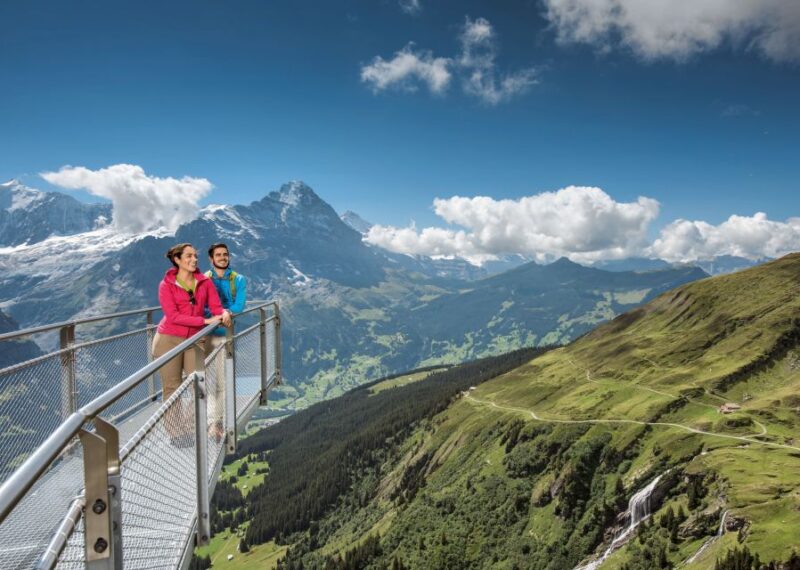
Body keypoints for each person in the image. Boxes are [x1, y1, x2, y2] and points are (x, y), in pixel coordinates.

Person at [153, 243, 231, 446]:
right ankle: (177, 434)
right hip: (168, 339)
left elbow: (215, 306)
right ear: (177, 260)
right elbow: (173, 316)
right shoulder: (166, 285)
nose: (194, 259)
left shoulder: (205, 282)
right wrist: (204, 322)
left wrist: (222, 313)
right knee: (171, 388)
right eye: (188, 256)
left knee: (198, 384)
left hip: (193, 341)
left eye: (195, 256)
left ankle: (190, 426)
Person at [204, 243, 247, 442]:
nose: (223, 257)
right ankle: (210, 420)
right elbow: (200, 306)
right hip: (203, 335)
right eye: (218, 255)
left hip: (223, 335)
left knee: (220, 381)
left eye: (225, 254)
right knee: (207, 381)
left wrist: (226, 312)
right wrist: (220, 313)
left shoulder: (238, 279)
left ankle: (215, 423)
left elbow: (239, 304)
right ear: (211, 259)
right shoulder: (204, 280)